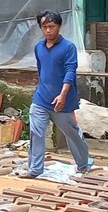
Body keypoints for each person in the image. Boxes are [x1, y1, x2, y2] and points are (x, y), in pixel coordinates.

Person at [22, 10, 94, 178]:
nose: (48, 30)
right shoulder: (38, 47)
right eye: (45, 27)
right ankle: (34, 169)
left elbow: (70, 72)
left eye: (52, 26)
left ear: (59, 27)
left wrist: (62, 95)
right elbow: (42, 71)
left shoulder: (68, 47)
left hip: (63, 100)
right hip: (41, 98)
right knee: (36, 132)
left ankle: (83, 163)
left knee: (72, 133)